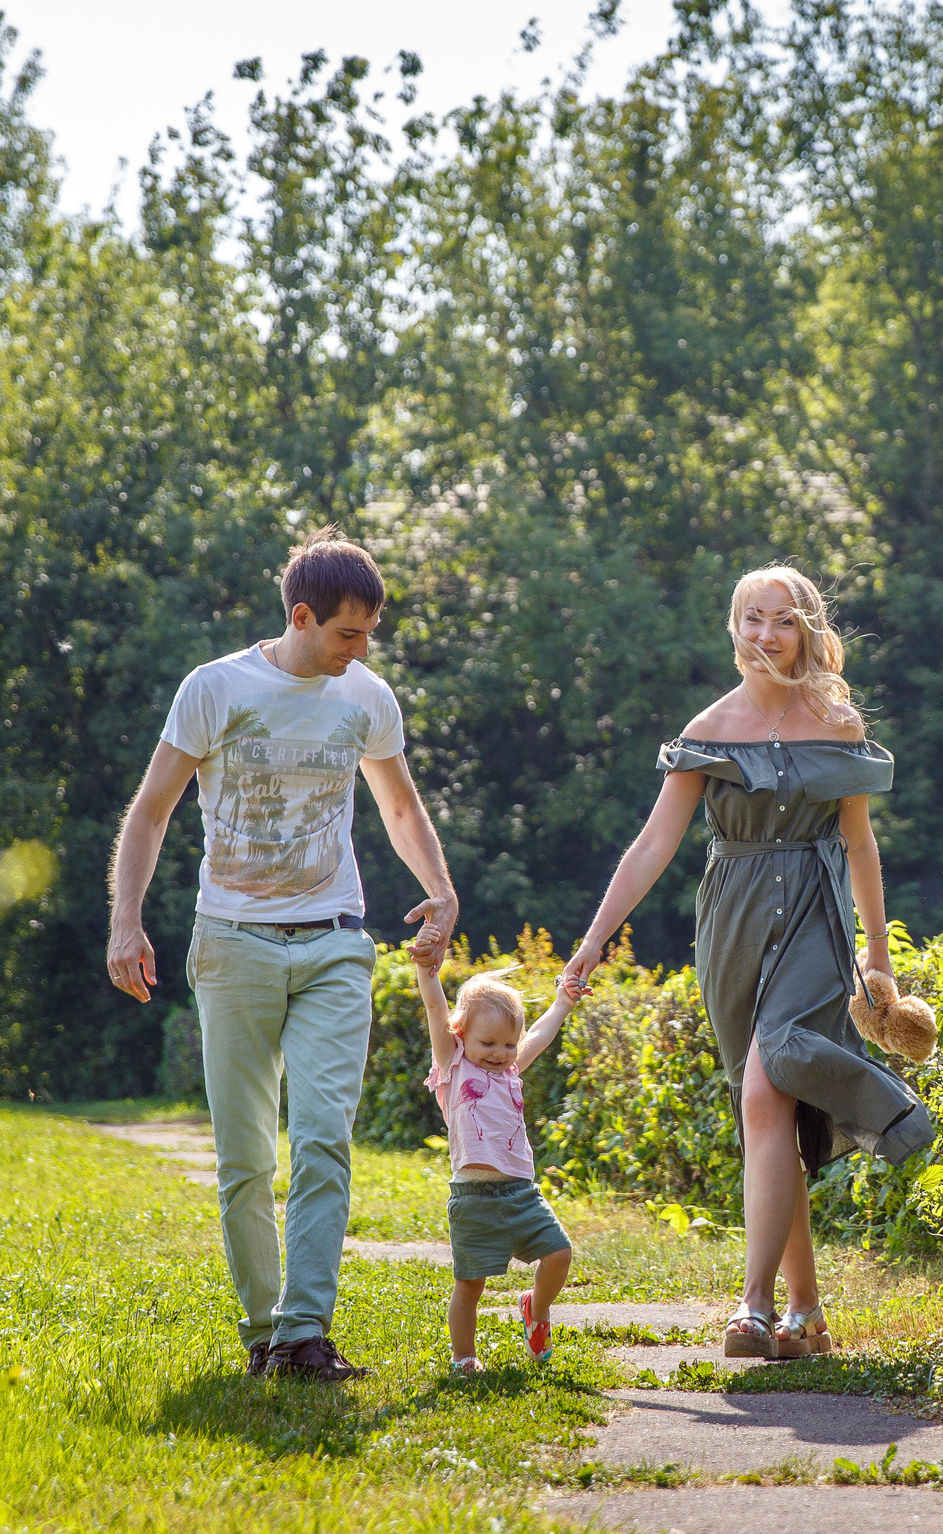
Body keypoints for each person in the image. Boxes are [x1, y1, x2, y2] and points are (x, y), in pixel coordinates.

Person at [105, 527, 459, 1382]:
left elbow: (401, 808)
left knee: (325, 1141)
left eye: (370, 633)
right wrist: (126, 920)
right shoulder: (216, 688)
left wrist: (442, 889)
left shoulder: (365, 696)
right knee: (245, 1158)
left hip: (337, 940)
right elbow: (151, 810)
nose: (361, 649)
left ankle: (305, 1333)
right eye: (347, 632)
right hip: (231, 944)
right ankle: (263, 1333)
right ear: (302, 616)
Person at [562, 564, 934, 1359]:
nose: (766, 634)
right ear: (732, 628)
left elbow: (859, 841)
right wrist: (594, 940)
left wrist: (879, 954)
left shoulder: (835, 722)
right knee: (767, 1106)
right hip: (729, 925)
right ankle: (805, 1310)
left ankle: (753, 1306)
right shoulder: (708, 729)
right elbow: (652, 847)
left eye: (784, 620)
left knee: (773, 1079)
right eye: (751, 618)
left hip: (814, 915)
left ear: (805, 630)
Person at [413, 966, 585, 1374]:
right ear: (460, 1034)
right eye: (487, 1042)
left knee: (560, 1254)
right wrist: (426, 970)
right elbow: (435, 1005)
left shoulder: (509, 1071)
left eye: (509, 1044)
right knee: (470, 1285)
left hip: (521, 1193)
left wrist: (563, 1001)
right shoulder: (454, 1068)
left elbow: (540, 1035)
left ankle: (535, 1309)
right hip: (473, 1199)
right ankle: (463, 1358)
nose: (500, 1053)